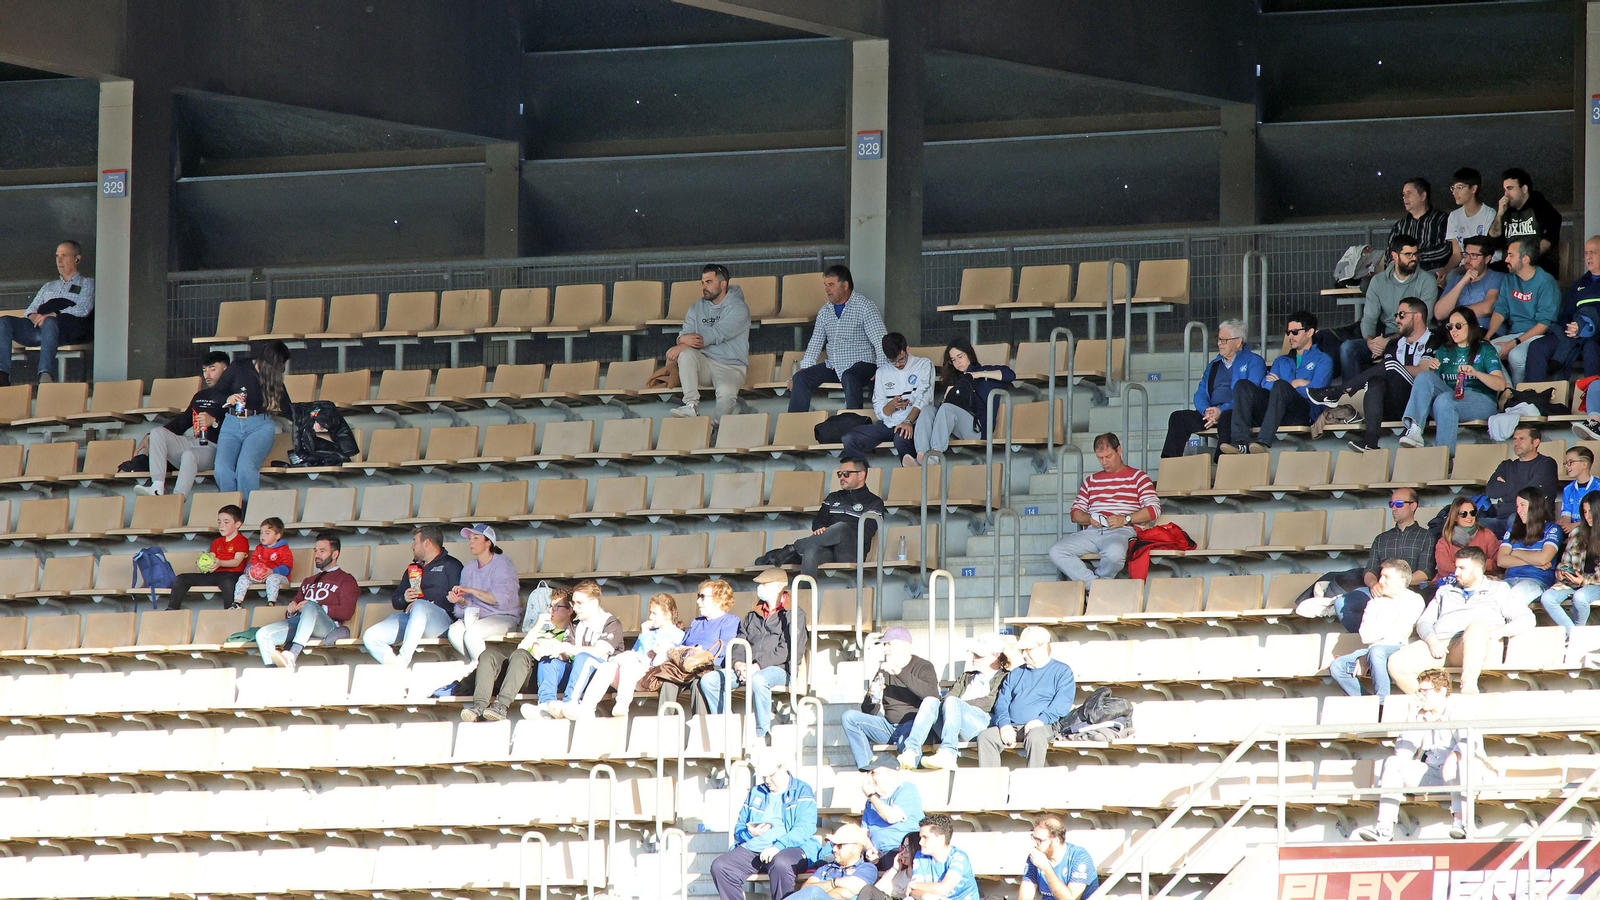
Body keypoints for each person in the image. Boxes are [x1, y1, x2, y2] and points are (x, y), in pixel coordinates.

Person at [1353, 669, 1499, 842]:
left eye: (1425, 691)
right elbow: (1402, 753)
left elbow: (1471, 742)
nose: (1421, 695)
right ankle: (1384, 828)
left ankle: (1462, 822)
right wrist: (1411, 718)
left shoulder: (1458, 710)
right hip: (1434, 773)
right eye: (1420, 691)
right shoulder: (1421, 715)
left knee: (1461, 760)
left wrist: (1453, 757)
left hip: (1466, 775)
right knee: (1393, 762)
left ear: (1441, 691)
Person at [1388, 546, 1534, 695]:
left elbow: (1527, 618)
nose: (1456, 572)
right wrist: (1432, 640)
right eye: (1456, 567)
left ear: (1477, 571)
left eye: (1462, 568)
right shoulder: (1445, 591)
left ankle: (1468, 688)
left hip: (1477, 647)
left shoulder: (1498, 590)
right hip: (1440, 646)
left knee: (1476, 628)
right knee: (1396, 663)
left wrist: (1499, 632)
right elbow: (1424, 621)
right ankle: (1427, 700)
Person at [1297, 488, 1435, 633]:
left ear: (1413, 506)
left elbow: (1425, 573)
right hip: (1379, 591)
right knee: (1342, 604)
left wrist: (1396, 584)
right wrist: (1374, 584)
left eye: (1399, 504)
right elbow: (1370, 571)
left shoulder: (1426, 537)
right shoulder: (1381, 539)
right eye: (1391, 504)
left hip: (1408, 592)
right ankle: (1366, 639)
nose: (1394, 508)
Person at [1309, 298, 1435, 453]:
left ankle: (1338, 391)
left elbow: (1423, 371)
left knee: (1389, 365)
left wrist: (1394, 368)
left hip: (1420, 406)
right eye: (1396, 315)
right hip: (1394, 406)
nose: (1396, 319)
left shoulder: (1434, 339)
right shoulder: (1394, 344)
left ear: (1417, 316)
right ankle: (1370, 440)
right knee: (1375, 381)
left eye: (1401, 315)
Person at [701, 568, 807, 739]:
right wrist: (738, 664)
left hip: (780, 669)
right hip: (748, 667)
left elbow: (787, 650)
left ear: (778, 587)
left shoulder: (794, 614)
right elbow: (739, 642)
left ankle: (762, 734)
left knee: (758, 679)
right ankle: (727, 731)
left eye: (764, 584)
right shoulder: (753, 614)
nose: (759, 588)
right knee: (709, 680)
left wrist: (756, 667)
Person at [1048, 433, 1158, 585]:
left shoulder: (1139, 477)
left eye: (1108, 456)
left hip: (1122, 530)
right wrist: (1089, 519)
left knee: (1115, 553)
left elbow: (1154, 509)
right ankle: (1096, 585)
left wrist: (1125, 519)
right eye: (1100, 458)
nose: (1104, 462)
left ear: (1119, 450)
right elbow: (1075, 513)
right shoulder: (1091, 480)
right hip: (1092, 532)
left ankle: (1098, 585)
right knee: (1057, 551)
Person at [1398, 309, 1506, 456]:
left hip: (1482, 402)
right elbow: (1432, 389)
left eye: (1458, 326)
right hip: (1451, 398)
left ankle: (1444, 458)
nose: (1453, 330)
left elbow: (1500, 385)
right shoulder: (1443, 350)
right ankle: (1415, 430)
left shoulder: (1485, 349)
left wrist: (1476, 373)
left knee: (1444, 401)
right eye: (1450, 326)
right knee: (1424, 376)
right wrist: (1432, 370)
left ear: (1471, 326)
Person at [710, 755, 818, 900]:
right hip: (754, 848)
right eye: (763, 776)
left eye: (771, 775)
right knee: (721, 866)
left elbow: (805, 828)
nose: (767, 780)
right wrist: (750, 833)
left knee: (781, 863)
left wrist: (778, 846)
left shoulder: (801, 790)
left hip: (791, 848)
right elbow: (739, 829)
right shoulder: (756, 792)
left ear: (783, 767)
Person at [900, 632, 1010, 771]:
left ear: (995, 656)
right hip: (952, 724)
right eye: (974, 653)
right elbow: (947, 698)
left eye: (979, 655)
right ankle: (912, 751)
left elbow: (991, 701)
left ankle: (948, 753)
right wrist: (953, 705)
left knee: (952, 702)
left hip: (982, 725)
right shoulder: (966, 677)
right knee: (930, 701)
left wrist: (958, 706)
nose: (974, 657)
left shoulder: (1005, 677)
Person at [1227, 311, 1332, 453]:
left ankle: (1263, 442)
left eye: (1295, 332)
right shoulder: (1281, 360)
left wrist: (1286, 387)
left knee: (1281, 385)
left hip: (1302, 413)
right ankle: (1240, 443)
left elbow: (1316, 391)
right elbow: (1266, 384)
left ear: (1310, 332)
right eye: (1288, 332)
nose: (1290, 336)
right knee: (1242, 385)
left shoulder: (1323, 360)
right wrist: (1297, 383)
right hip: (1276, 410)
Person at [462, 588, 572, 722]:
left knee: (521, 655)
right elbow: (521, 648)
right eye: (550, 606)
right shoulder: (542, 631)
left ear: (569, 611)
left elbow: (566, 657)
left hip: (538, 676)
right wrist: (537, 626)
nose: (551, 611)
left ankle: (501, 705)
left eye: (556, 607)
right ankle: (479, 707)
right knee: (488, 655)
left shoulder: (571, 633)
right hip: (518, 671)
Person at [767, 455, 886, 579]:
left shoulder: (874, 502)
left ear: (861, 475)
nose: (842, 477)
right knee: (811, 550)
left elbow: (866, 533)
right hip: (828, 549)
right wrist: (821, 529)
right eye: (839, 474)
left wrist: (835, 532)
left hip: (851, 552)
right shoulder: (833, 497)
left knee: (841, 527)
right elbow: (818, 521)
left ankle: (793, 548)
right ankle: (805, 590)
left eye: (846, 474)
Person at [1161, 318, 1266, 458]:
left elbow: (1250, 395)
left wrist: (1221, 410)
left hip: (1238, 414)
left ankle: (1220, 461)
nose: (1219, 343)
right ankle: (1169, 463)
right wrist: (1206, 411)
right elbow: (1200, 393)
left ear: (1238, 342)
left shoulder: (1254, 361)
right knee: (1178, 418)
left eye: (1224, 340)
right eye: (1219, 339)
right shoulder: (1214, 365)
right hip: (1211, 413)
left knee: (1227, 416)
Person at [789, 265, 888, 412]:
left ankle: (853, 421)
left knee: (849, 376)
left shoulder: (865, 307)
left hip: (863, 365)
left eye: (831, 285)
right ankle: (795, 423)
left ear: (845, 286)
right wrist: (804, 370)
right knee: (800, 378)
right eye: (825, 285)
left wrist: (882, 370)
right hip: (835, 366)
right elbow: (815, 343)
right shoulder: (824, 311)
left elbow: (881, 341)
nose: (826, 289)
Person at [256, 533, 360, 671]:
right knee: (263, 634)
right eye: (316, 550)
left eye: (322, 551)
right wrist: (291, 609)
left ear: (335, 554)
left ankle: (292, 655)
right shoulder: (308, 581)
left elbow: (347, 612)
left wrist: (318, 607)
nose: (317, 555)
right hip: (301, 624)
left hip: (326, 627)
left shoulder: (346, 579)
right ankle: (274, 673)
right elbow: (294, 607)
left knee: (310, 605)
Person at [841, 627, 941, 771]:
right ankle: (867, 769)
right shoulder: (884, 670)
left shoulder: (923, 666)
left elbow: (931, 695)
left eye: (889, 644)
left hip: (914, 727)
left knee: (905, 741)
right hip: (888, 727)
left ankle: (913, 774)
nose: (885, 649)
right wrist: (872, 696)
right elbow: (868, 711)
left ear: (904, 645)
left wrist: (899, 672)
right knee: (849, 718)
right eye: (884, 645)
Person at [364, 524, 464, 668]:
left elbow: (458, 601)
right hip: (411, 619)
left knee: (420, 605)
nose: (412, 546)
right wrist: (404, 598)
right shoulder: (413, 568)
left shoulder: (452, 565)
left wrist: (426, 604)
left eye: (415, 542)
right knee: (370, 636)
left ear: (426, 543)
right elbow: (396, 602)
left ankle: (404, 659)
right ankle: (398, 668)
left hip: (441, 623)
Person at [1328, 559, 1425, 706]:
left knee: (1377, 651)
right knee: (1338, 666)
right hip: (1374, 650)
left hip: (1402, 649)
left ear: (1401, 581)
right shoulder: (1375, 602)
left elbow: (1403, 634)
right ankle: (1370, 704)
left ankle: (1382, 702)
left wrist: (1380, 624)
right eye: (1381, 576)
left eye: (1386, 577)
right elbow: (1366, 636)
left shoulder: (1414, 600)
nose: (1380, 581)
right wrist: (1390, 616)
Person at [572, 593, 684, 718]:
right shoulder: (649, 632)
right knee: (606, 667)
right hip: (632, 674)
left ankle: (622, 704)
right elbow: (637, 652)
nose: (650, 617)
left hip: (651, 677)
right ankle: (586, 708)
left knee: (628, 661)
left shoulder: (678, 635)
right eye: (650, 613)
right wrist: (644, 633)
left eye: (654, 613)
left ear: (668, 615)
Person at [977, 626, 1073, 768]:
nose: (1024, 654)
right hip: (1013, 726)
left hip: (1045, 725)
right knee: (985, 737)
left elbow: (1062, 703)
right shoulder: (1015, 673)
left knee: (1035, 737)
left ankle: (1032, 780)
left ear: (1043, 647)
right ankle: (991, 781)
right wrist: (1004, 725)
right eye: (1022, 650)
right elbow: (1002, 702)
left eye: (1028, 649)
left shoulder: (1062, 671)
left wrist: (1040, 720)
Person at [0, 241, 94, 386]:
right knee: (4, 321)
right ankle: (2, 374)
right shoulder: (49, 286)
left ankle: (45, 374)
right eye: (57, 256)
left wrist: (55, 314)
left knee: (50, 322)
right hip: (39, 327)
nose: (59, 260)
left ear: (77, 259)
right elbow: (30, 309)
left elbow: (84, 308)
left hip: (66, 329)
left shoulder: (87, 283)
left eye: (64, 255)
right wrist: (35, 317)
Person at [136, 351, 229, 497]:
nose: (207, 375)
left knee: (189, 455)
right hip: (194, 441)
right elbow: (181, 424)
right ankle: (157, 487)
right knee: (157, 432)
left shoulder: (233, 396)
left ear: (225, 369)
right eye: (204, 370)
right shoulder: (201, 395)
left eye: (212, 369)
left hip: (215, 448)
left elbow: (239, 428)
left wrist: (215, 422)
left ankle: (178, 498)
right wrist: (150, 436)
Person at [1342, 237, 1438, 378]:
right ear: (1394, 256)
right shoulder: (1378, 281)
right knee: (1347, 348)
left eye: (1415, 254)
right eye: (1408, 254)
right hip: (1384, 338)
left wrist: (1388, 341)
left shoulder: (1427, 281)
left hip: (1413, 338)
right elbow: (1369, 318)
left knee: (1391, 350)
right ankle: (1350, 391)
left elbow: (1423, 321)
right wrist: (1370, 341)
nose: (1413, 258)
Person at [210, 340, 292, 500]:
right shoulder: (238, 367)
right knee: (221, 469)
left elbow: (288, 408)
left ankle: (247, 510)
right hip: (231, 423)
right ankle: (230, 509)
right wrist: (228, 398)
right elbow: (215, 393)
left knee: (245, 467)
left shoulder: (273, 379)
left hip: (259, 425)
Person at [670, 263, 750, 423]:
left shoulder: (739, 308)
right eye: (702, 282)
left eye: (709, 282)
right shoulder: (696, 307)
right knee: (686, 354)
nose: (704, 286)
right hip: (705, 362)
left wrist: (683, 343)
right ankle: (690, 405)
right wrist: (681, 341)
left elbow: (715, 334)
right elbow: (684, 334)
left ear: (723, 284)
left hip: (731, 366)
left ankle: (716, 428)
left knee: (726, 393)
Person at [534, 579, 624, 719]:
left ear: (594, 602)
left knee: (584, 658)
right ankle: (546, 705)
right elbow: (565, 653)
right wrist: (554, 650)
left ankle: (570, 702)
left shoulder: (611, 623)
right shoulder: (575, 624)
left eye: (579, 603)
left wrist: (567, 647)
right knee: (548, 661)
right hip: (578, 674)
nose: (575, 608)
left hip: (601, 677)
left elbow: (598, 652)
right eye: (573, 603)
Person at [843, 333, 934, 467]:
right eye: (892, 361)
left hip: (914, 422)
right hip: (888, 424)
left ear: (907, 349)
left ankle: (914, 473)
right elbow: (879, 409)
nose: (898, 364)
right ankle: (861, 475)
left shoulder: (924, 364)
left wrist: (907, 421)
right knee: (850, 438)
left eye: (901, 359)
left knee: (901, 437)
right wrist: (892, 405)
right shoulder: (882, 372)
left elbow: (924, 398)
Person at [919, 337, 1016, 459]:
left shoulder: (983, 373)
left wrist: (979, 374)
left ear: (969, 354)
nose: (957, 362)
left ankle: (935, 455)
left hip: (978, 429)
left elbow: (1010, 374)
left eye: (960, 357)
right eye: (953, 360)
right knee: (927, 410)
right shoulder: (955, 379)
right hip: (957, 427)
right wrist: (946, 397)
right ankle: (921, 454)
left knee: (947, 408)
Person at [1524, 236, 1600, 382]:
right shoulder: (1579, 285)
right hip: (1573, 334)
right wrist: (1571, 328)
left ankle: (1592, 394)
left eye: (1593, 252)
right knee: (1537, 346)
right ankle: (1533, 394)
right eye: (1586, 253)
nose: (1588, 257)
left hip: (1595, 335)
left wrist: (1587, 326)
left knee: (1590, 347)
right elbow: (1566, 315)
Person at [1487, 237, 1561, 384]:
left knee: (1516, 355)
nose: (1506, 259)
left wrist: (1514, 343)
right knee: (1486, 351)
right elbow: (1500, 309)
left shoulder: (1546, 282)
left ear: (1525, 259)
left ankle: (1520, 391)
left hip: (1539, 336)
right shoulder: (1509, 280)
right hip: (1515, 333)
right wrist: (1487, 336)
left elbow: (1544, 324)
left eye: (1511, 255)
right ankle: (1509, 390)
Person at [445, 524, 523, 664]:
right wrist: (460, 600)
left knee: (472, 634)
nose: (471, 542)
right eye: (470, 538)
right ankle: (481, 666)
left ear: (488, 543)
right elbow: (469, 603)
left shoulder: (503, 565)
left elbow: (499, 599)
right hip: (476, 617)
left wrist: (470, 590)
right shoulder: (468, 568)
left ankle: (481, 668)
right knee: (454, 632)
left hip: (503, 616)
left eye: (476, 538)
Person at [1480, 424, 1560, 537]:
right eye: (1515, 439)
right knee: (1471, 524)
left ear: (1535, 442)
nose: (1516, 443)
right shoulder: (1506, 465)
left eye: (1521, 439)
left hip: (1531, 520)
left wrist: (1505, 493)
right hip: (1500, 519)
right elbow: (1491, 490)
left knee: (1514, 520)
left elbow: (1531, 496)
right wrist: (1519, 488)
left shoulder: (1546, 464)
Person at [166, 504, 248, 610]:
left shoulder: (242, 540)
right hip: (215, 574)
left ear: (237, 524)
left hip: (232, 574)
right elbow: (211, 558)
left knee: (228, 583)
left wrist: (220, 563)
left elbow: (236, 561)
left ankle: (230, 611)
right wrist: (203, 565)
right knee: (181, 578)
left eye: (226, 522)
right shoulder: (217, 542)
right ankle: (172, 609)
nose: (221, 526)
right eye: (219, 522)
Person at [1543, 492, 1600, 645]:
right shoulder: (1577, 533)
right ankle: (1576, 636)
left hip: (1595, 583)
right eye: (1585, 512)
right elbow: (1565, 561)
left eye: (1591, 512)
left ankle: (1576, 637)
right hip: (1574, 580)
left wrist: (1584, 581)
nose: (1587, 516)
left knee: (1580, 597)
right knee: (1547, 598)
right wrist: (1563, 571)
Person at [1490, 167, 1562, 276]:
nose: (1506, 194)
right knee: (1487, 272)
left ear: (1524, 189)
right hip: (1511, 263)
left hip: (1538, 263)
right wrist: (1499, 214)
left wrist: (1526, 258)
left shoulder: (1540, 206)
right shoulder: (1507, 212)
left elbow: (1550, 238)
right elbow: (1493, 243)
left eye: (1510, 188)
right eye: (1505, 190)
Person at [1496, 487, 1562, 607]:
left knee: (1514, 598)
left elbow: (1543, 559)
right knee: (1492, 598)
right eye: (1517, 506)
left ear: (1535, 505)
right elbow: (1501, 560)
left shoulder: (1552, 529)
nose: (1519, 510)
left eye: (1522, 505)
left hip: (1536, 581)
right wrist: (1533, 561)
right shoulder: (1513, 531)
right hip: (1509, 580)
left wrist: (1515, 552)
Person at [787, 823, 881, 900]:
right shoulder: (826, 868)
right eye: (833, 844)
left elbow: (844, 893)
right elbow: (805, 890)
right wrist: (834, 883)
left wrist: (820, 890)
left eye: (840, 845)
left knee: (814, 891)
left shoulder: (867, 868)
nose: (834, 849)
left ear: (856, 848)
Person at [860, 766, 925, 871]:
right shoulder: (871, 802)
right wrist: (869, 848)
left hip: (901, 851)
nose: (868, 778)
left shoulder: (906, 789)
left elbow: (891, 817)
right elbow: (864, 833)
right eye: (867, 774)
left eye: (872, 773)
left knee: (892, 859)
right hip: (876, 855)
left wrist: (871, 796)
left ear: (890, 773)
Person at [1019, 815, 1098, 900]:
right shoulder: (1036, 857)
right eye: (1034, 838)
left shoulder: (1079, 857)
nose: (1035, 844)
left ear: (1056, 841)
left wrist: (1046, 868)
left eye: (1040, 840)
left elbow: (1071, 898)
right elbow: (1024, 897)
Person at [1388, 177, 1452, 280]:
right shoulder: (1400, 226)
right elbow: (1389, 252)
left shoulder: (1441, 220)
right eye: (1403, 194)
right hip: (1402, 274)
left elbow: (1445, 249)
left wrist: (1414, 256)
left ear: (1423, 196)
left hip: (1430, 273)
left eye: (1409, 193)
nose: (1404, 197)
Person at [1434, 235, 1502, 328]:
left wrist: (1455, 313)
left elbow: (1487, 308)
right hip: (1455, 333)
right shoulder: (1456, 280)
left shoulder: (1497, 277)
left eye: (1473, 256)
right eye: (1466, 254)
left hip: (1482, 331)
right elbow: (1439, 314)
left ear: (1487, 259)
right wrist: (1462, 283)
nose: (1467, 260)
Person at [1434, 496, 1502, 584]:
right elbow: (1443, 568)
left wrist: (1465, 569)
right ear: (1455, 517)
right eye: (1464, 514)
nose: (1469, 517)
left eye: (1472, 513)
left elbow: (1497, 563)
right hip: (1449, 584)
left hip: (1481, 582)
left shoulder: (1487, 534)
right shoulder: (1444, 541)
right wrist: (1477, 565)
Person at [907, 815, 978, 900]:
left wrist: (913, 884)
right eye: (920, 837)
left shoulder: (958, 857)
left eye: (925, 837)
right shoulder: (920, 856)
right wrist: (924, 896)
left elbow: (943, 889)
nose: (920, 842)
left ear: (941, 839)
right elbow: (912, 892)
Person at [1444, 168, 1496, 278]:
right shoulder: (1454, 216)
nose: (1454, 192)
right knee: (1433, 276)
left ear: (1473, 189)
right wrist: (1444, 272)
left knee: (1453, 276)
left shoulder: (1489, 214)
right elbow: (1456, 254)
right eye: (1453, 188)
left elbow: (1487, 250)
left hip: (1485, 264)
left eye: (1459, 187)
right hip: (1465, 265)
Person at [232, 516, 294, 607]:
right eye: (261, 533)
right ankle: (237, 602)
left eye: (267, 533)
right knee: (243, 578)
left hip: (279, 577)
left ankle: (271, 602)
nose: (263, 536)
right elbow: (252, 563)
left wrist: (273, 571)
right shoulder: (259, 548)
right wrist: (248, 570)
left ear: (277, 536)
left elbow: (287, 568)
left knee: (272, 578)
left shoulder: (284, 549)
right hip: (259, 577)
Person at [1560, 447, 1600, 535]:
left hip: (1593, 529)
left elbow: (1597, 517)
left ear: (1584, 465)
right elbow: (1566, 514)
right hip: (1572, 530)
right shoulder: (1568, 489)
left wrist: (1574, 526)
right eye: (1565, 463)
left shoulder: (1598, 486)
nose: (1566, 466)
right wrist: (1565, 523)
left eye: (1570, 462)